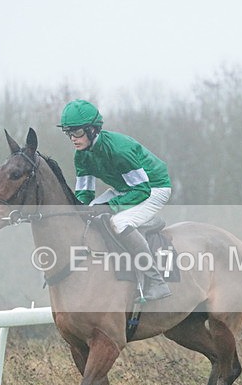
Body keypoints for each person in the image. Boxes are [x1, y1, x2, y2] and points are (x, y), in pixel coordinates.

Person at [58, 99, 172, 300]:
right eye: (69, 134)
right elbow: (84, 194)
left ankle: (156, 281)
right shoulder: (81, 156)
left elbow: (142, 190)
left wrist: (110, 207)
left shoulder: (119, 151)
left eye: (77, 132)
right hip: (126, 188)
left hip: (154, 188)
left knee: (119, 221)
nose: (73, 139)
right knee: (90, 210)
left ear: (92, 130)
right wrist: (79, 211)